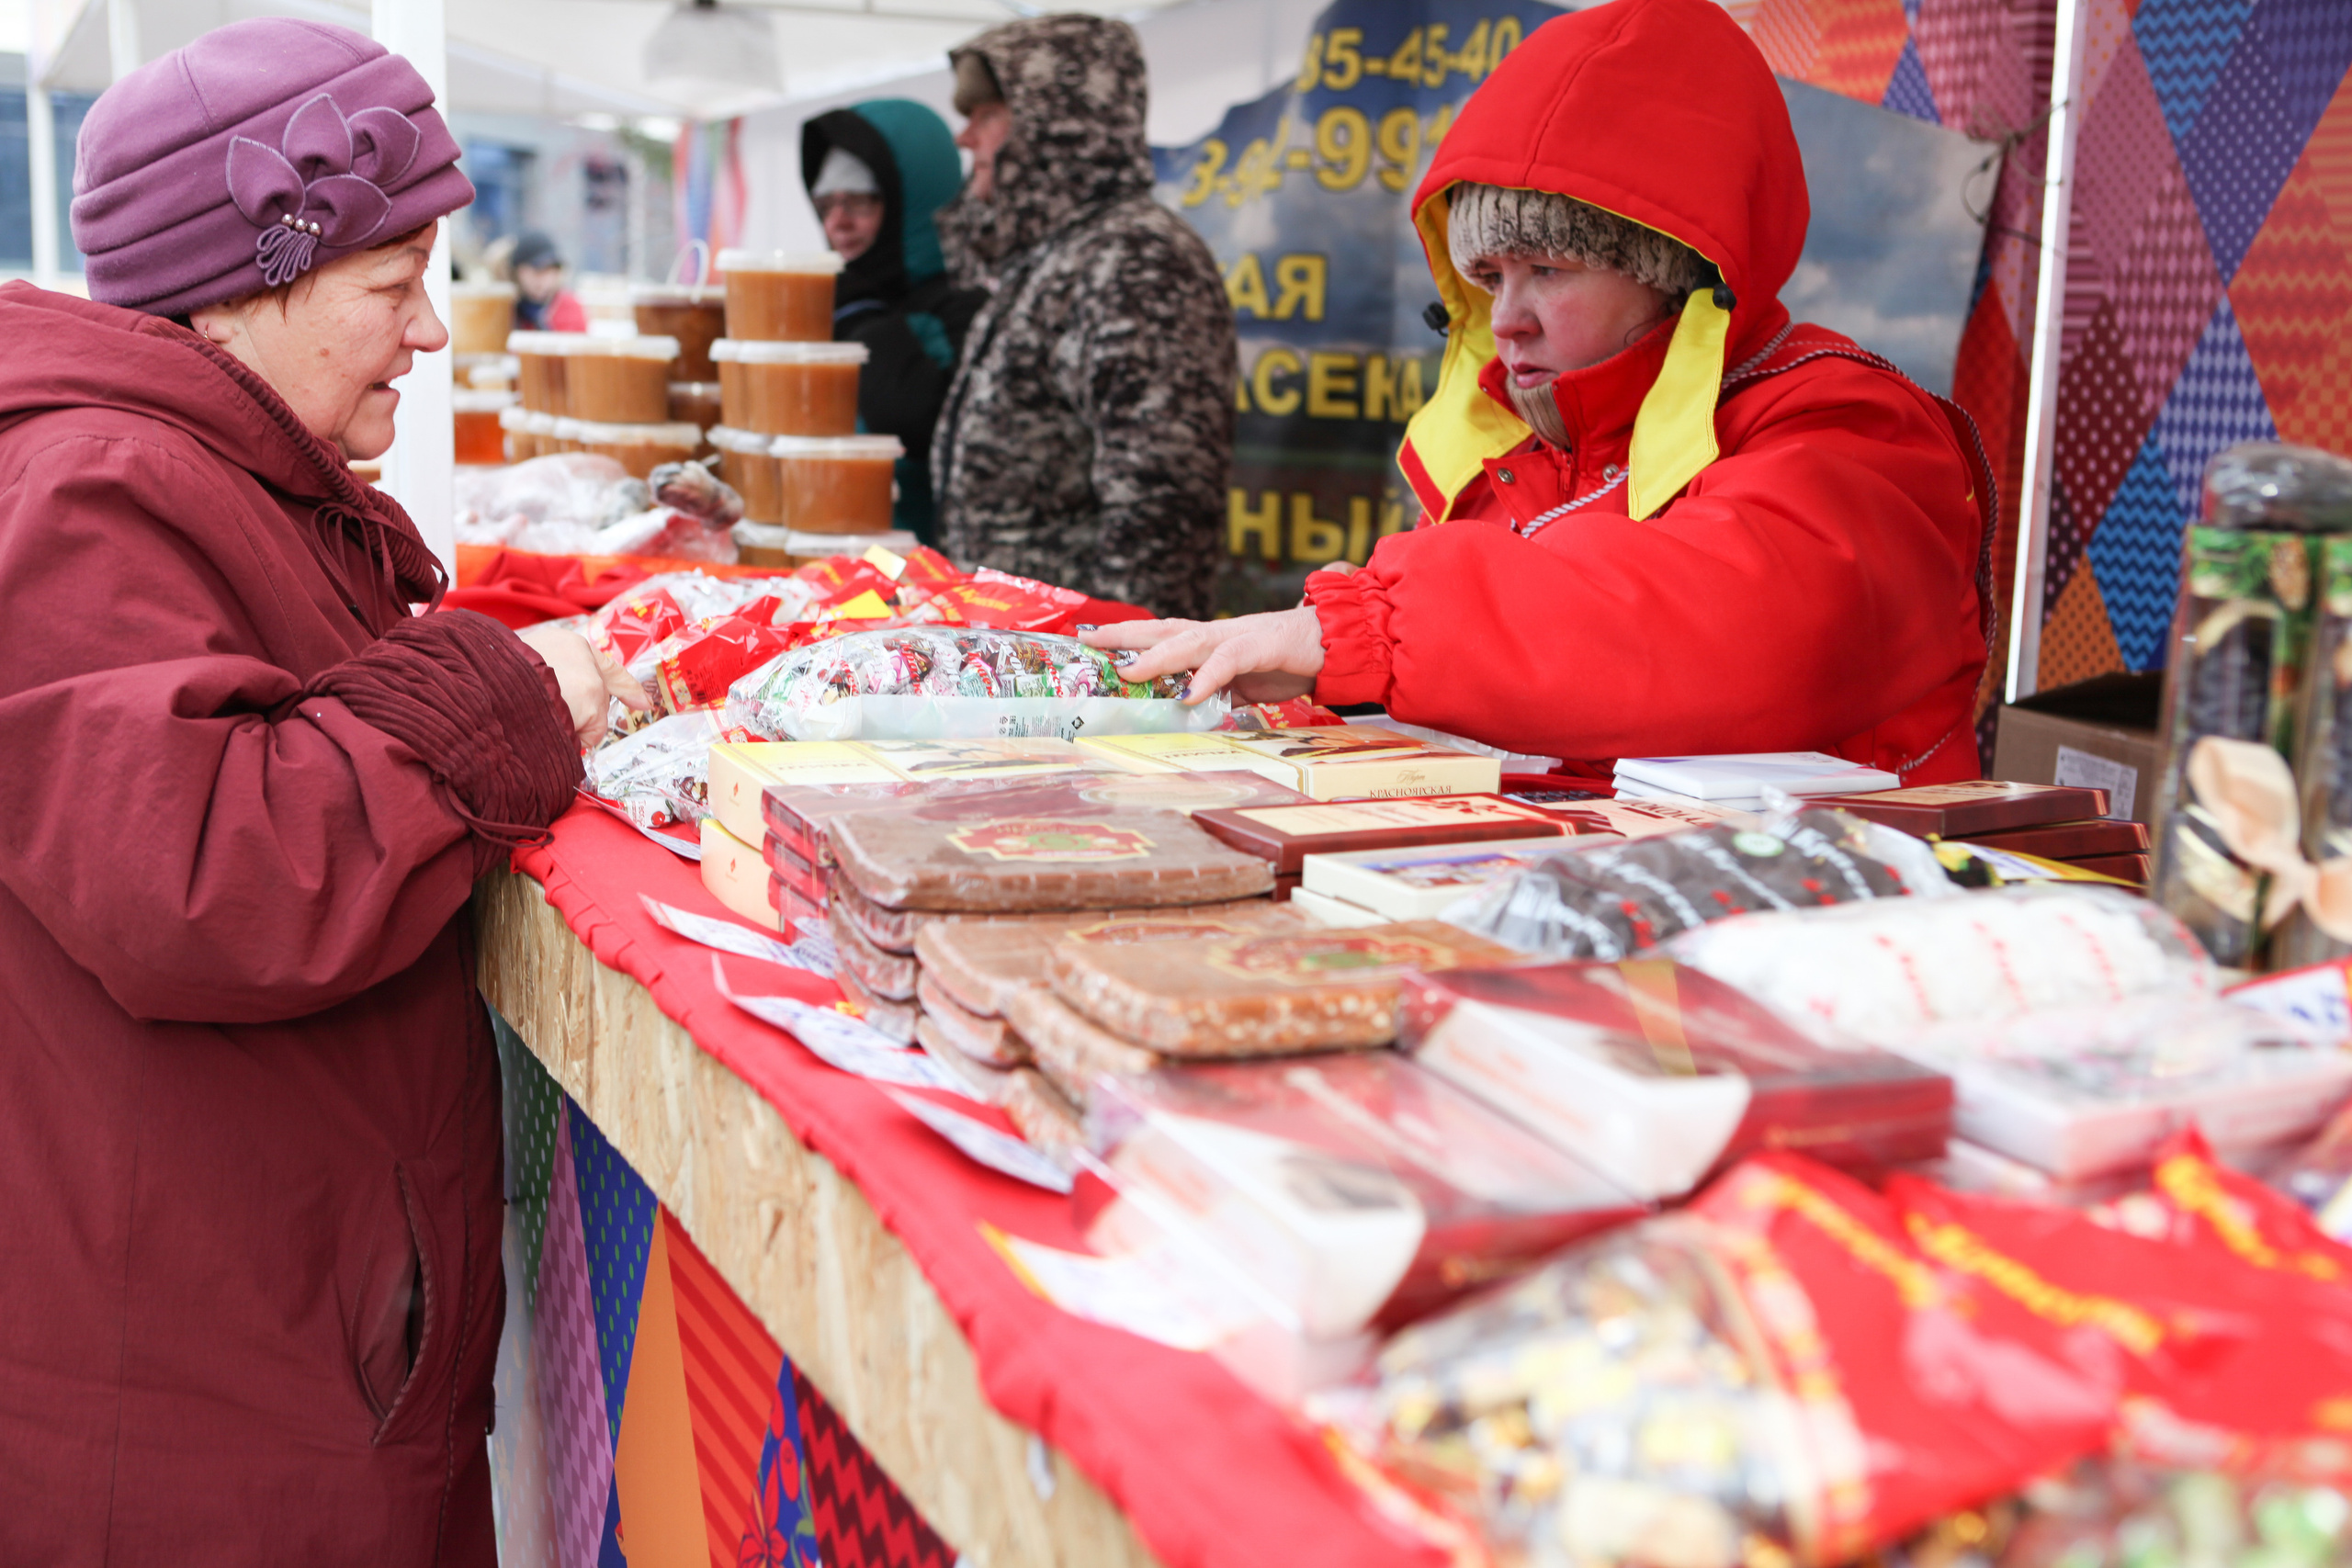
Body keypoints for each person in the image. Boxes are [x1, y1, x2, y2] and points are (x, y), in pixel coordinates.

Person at [0, 18, 642, 1562]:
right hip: (209, 1404)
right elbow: (212, 870)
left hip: (286, 1343)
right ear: (248, 280)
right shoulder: (92, 488)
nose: (428, 333)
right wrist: (512, 690)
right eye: (391, 284)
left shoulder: (221, 473)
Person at [1090, 0, 1992, 784]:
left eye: (1548, 269)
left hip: (1835, 937)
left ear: (1675, 269)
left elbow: (1721, 626)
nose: (1507, 316)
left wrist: (1355, 633)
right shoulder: (1520, 450)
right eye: (1487, 273)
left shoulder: (1851, 428)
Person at [931, 15, 1237, 621]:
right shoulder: (1055, 255)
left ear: (1055, 124)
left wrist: (1121, 685)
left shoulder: (1139, 259)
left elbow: (1161, 508)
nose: (966, 138)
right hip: (1022, 666)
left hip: (1081, 681)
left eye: (989, 115)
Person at [800, 99, 988, 542]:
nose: (838, 223)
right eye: (826, 204)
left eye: (860, 202)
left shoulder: (964, 306)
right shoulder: (829, 303)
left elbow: (920, 425)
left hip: (928, 574)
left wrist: (866, 322)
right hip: (835, 556)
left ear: (914, 199)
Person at [510, 227, 588, 331]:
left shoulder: (567, 307)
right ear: (520, 271)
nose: (546, 280)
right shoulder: (505, 309)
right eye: (538, 271)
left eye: (552, 271)